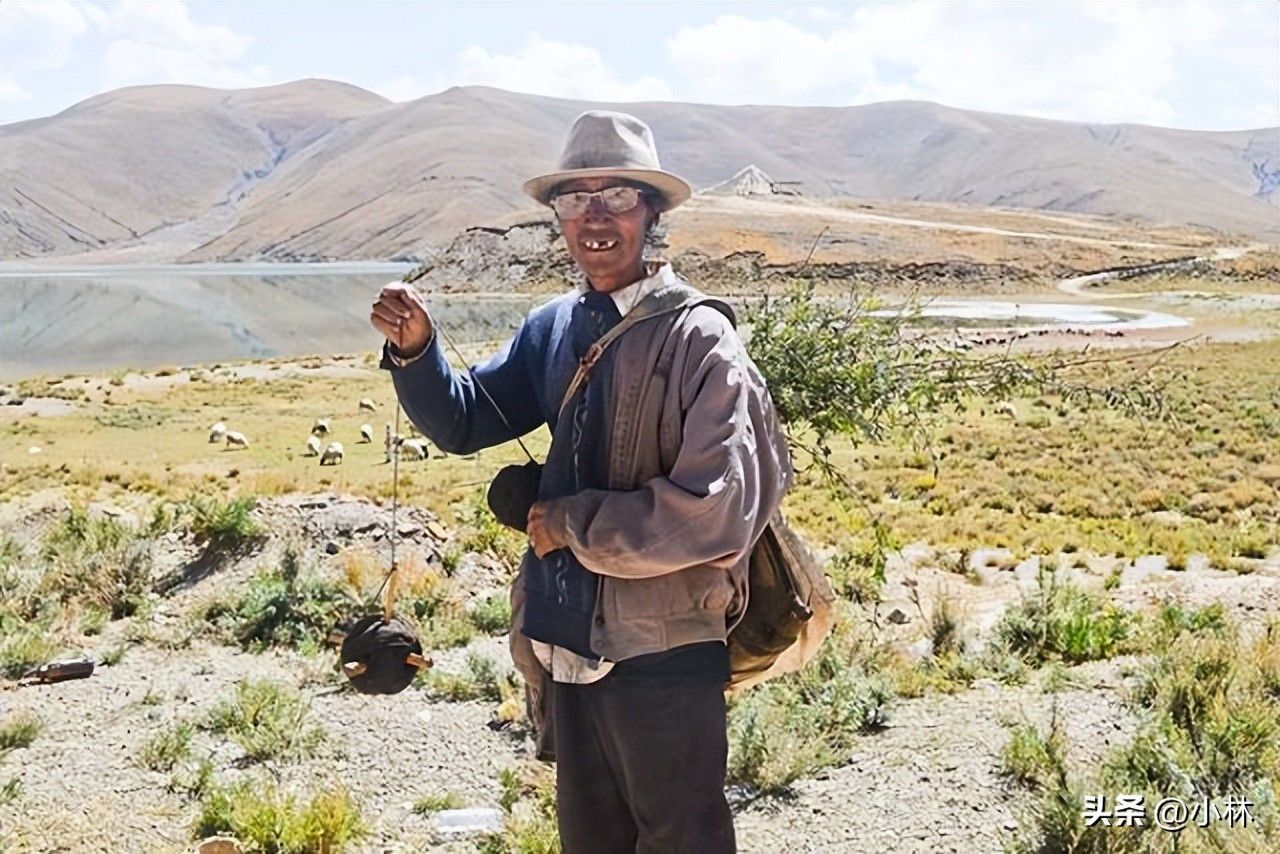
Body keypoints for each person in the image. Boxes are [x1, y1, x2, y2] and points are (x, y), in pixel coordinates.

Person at [369, 110, 791, 854]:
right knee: (591, 839)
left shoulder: (699, 339)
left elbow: (715, 512)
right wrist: (418, 352)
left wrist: (570, 523)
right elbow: (467, 421)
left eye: (617, 196)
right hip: (566, 643)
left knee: (680, 837)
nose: (594, 216)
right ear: (558, 216)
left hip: (662, 649)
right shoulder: (554, 328)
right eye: (575, 199)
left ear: (651, 211)